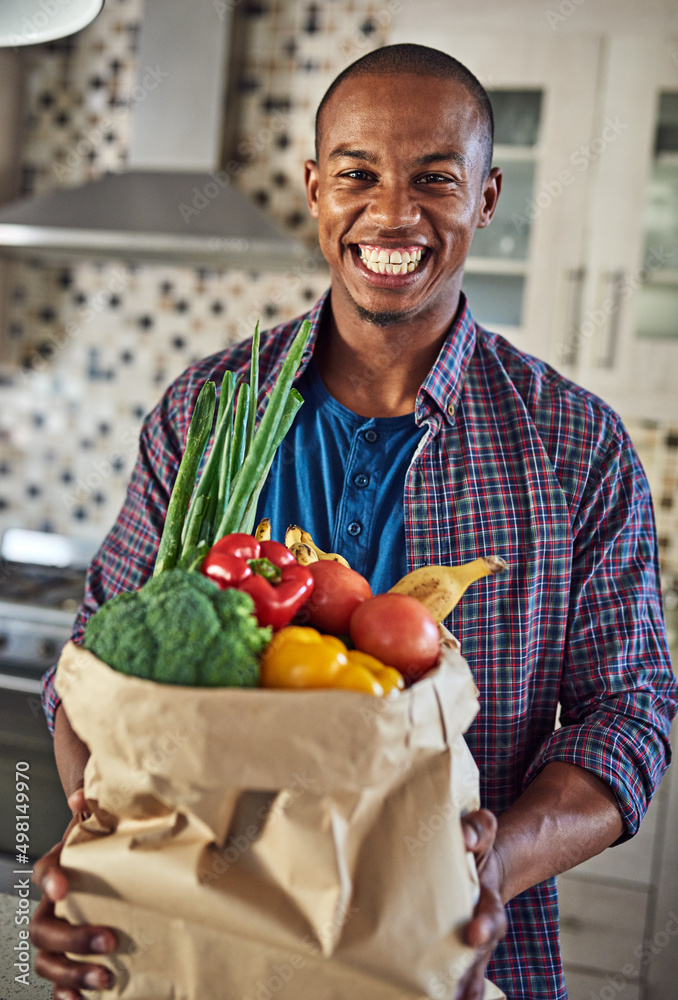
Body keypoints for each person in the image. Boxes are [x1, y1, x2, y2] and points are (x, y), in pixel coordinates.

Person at [31, 43, 677, 1000]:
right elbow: (93, 663)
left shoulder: (575, 446)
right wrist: (98, 847)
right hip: (204, 948)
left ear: (488, 198)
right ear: (314, 189)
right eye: (358, 175)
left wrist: (494, 862)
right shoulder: (207, 411)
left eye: (435, 180)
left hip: (454, 952)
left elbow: (630, 717)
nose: (392, 214)